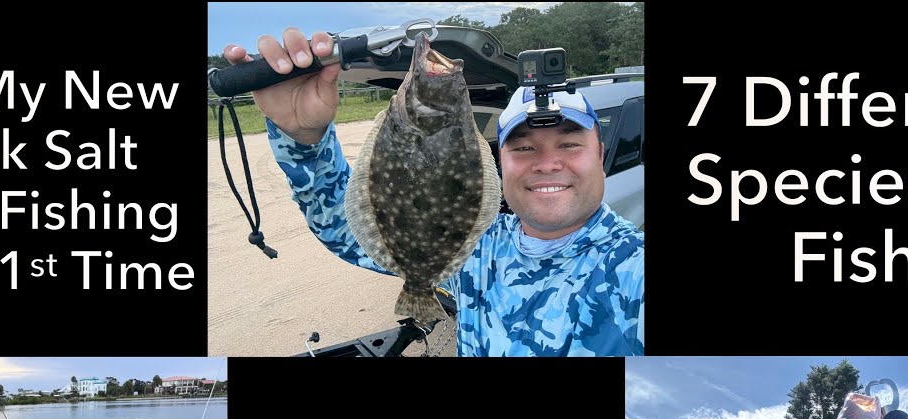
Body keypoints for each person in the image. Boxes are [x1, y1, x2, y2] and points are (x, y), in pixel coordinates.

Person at [221, 29, 643, 356]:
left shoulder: (633, 267)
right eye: (524, 147)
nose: (547, 163)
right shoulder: (480, 249)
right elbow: (343, 228)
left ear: (600, 153)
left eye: (569, 144)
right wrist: (304, 142)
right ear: (502, 161)